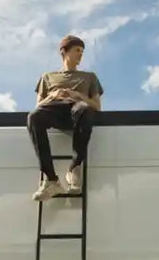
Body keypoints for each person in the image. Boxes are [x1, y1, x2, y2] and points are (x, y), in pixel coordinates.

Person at [27, 35, 104, 201]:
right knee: (33, 117)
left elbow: (97, 106)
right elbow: (39, 104)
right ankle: (51, 180)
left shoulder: (89, 77)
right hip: (55, 110)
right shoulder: (47, 77)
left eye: (82, 51)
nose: (80, 54)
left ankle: (74, 168)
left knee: (84, 108)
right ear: (64, 52)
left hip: (78, 111)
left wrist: (78, 95)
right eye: (77, 50)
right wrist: (53, 95)